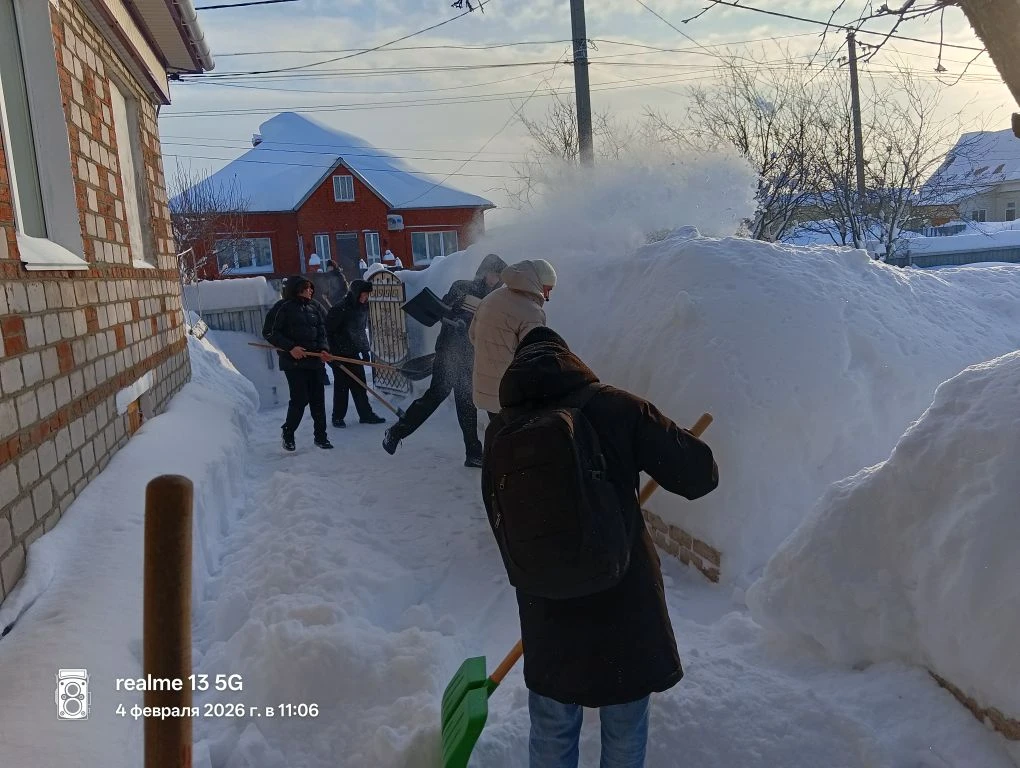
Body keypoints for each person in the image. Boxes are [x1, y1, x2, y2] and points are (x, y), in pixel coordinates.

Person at [483, 327, 719, 768]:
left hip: (545, 599)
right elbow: (700, 476)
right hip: (622, 592)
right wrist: (676, 440)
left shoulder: (501, 430)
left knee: (552, 724)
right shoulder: (617, 408)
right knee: (624, 722)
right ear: (571, 361)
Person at [382, 254, 507, 467]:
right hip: (449, 350)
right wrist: (455, 321)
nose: (495, 279)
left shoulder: (497, 296)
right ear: (484, 272)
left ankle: (477, 453)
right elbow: (441, 311)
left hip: (473, 355)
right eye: (493, 274)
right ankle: (395, 432)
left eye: (498, 276)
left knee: (471, 401)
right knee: (437, 395)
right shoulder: (462, 287)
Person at [469, 259, 557, 418]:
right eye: (547, 289)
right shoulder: (532, 312)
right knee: (515, 441)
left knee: (496, 438)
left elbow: (472, 336)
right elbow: (534, 357)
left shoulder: (491, 298)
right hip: (511, 395)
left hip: (485, 390)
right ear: (537, 282)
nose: (547, 296)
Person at [262, 276, 333, 451]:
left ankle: (321, 437)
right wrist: (291, 348)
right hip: (294, 363)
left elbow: (324, 331)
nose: (310, 291)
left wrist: (324, 349)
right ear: (297, 289)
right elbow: (270, 332)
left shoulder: (315, 307)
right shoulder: (283, 307)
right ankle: (288, 433)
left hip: (315, 362)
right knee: (300, 399)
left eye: (311, 288)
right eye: (306, 288)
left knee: (318, 400)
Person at [325, 279, 386, 428]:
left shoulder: (362, 308)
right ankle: (337, 417)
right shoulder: (340, 309)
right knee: (342, 387)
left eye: (367, 295)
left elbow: (360, 332)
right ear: (356, 293)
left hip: (352, 353)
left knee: (360, 384)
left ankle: (365, 415)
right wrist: (331, 356)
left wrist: (365, 351)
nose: (366, 298)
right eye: (364, 294)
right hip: (338, 354)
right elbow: (327, 333)